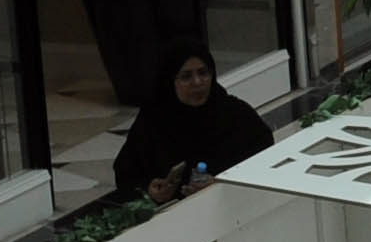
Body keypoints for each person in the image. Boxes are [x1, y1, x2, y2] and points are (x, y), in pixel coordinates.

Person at [111, 45, 275, 200]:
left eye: (203, 73)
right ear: (169, 81)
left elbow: (265, 154)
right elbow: (126, 174)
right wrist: (150, 191)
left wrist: (221, 182)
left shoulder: (233, 112)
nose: (197, 82)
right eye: (186, 76)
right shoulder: (152, 120)